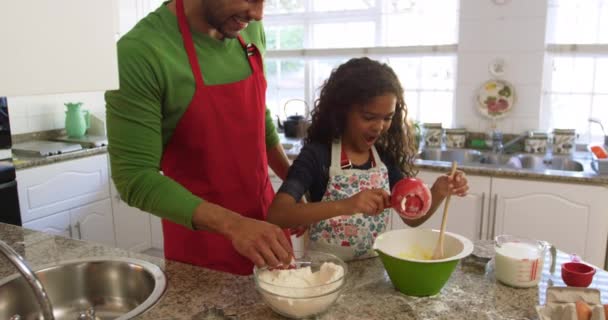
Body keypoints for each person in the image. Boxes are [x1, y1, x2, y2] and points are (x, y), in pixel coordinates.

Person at [104, 0, 294, 275]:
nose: (257, 14)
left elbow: (259, 117)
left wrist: (293, 184)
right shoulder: (141, 52)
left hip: (267, 231)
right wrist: (234, 225)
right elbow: (134, 177)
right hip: (203, 249)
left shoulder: (247, 30)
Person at [266, 57, 469, 260]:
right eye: (369, 117)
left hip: (373, 269)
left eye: (387, 118)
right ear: (342, 111)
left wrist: (439, 191)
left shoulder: (384, 158)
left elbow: (412, 219)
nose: (379, 126)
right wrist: (348, 205)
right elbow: (278, 214)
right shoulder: (317, 155)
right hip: (326, 274)